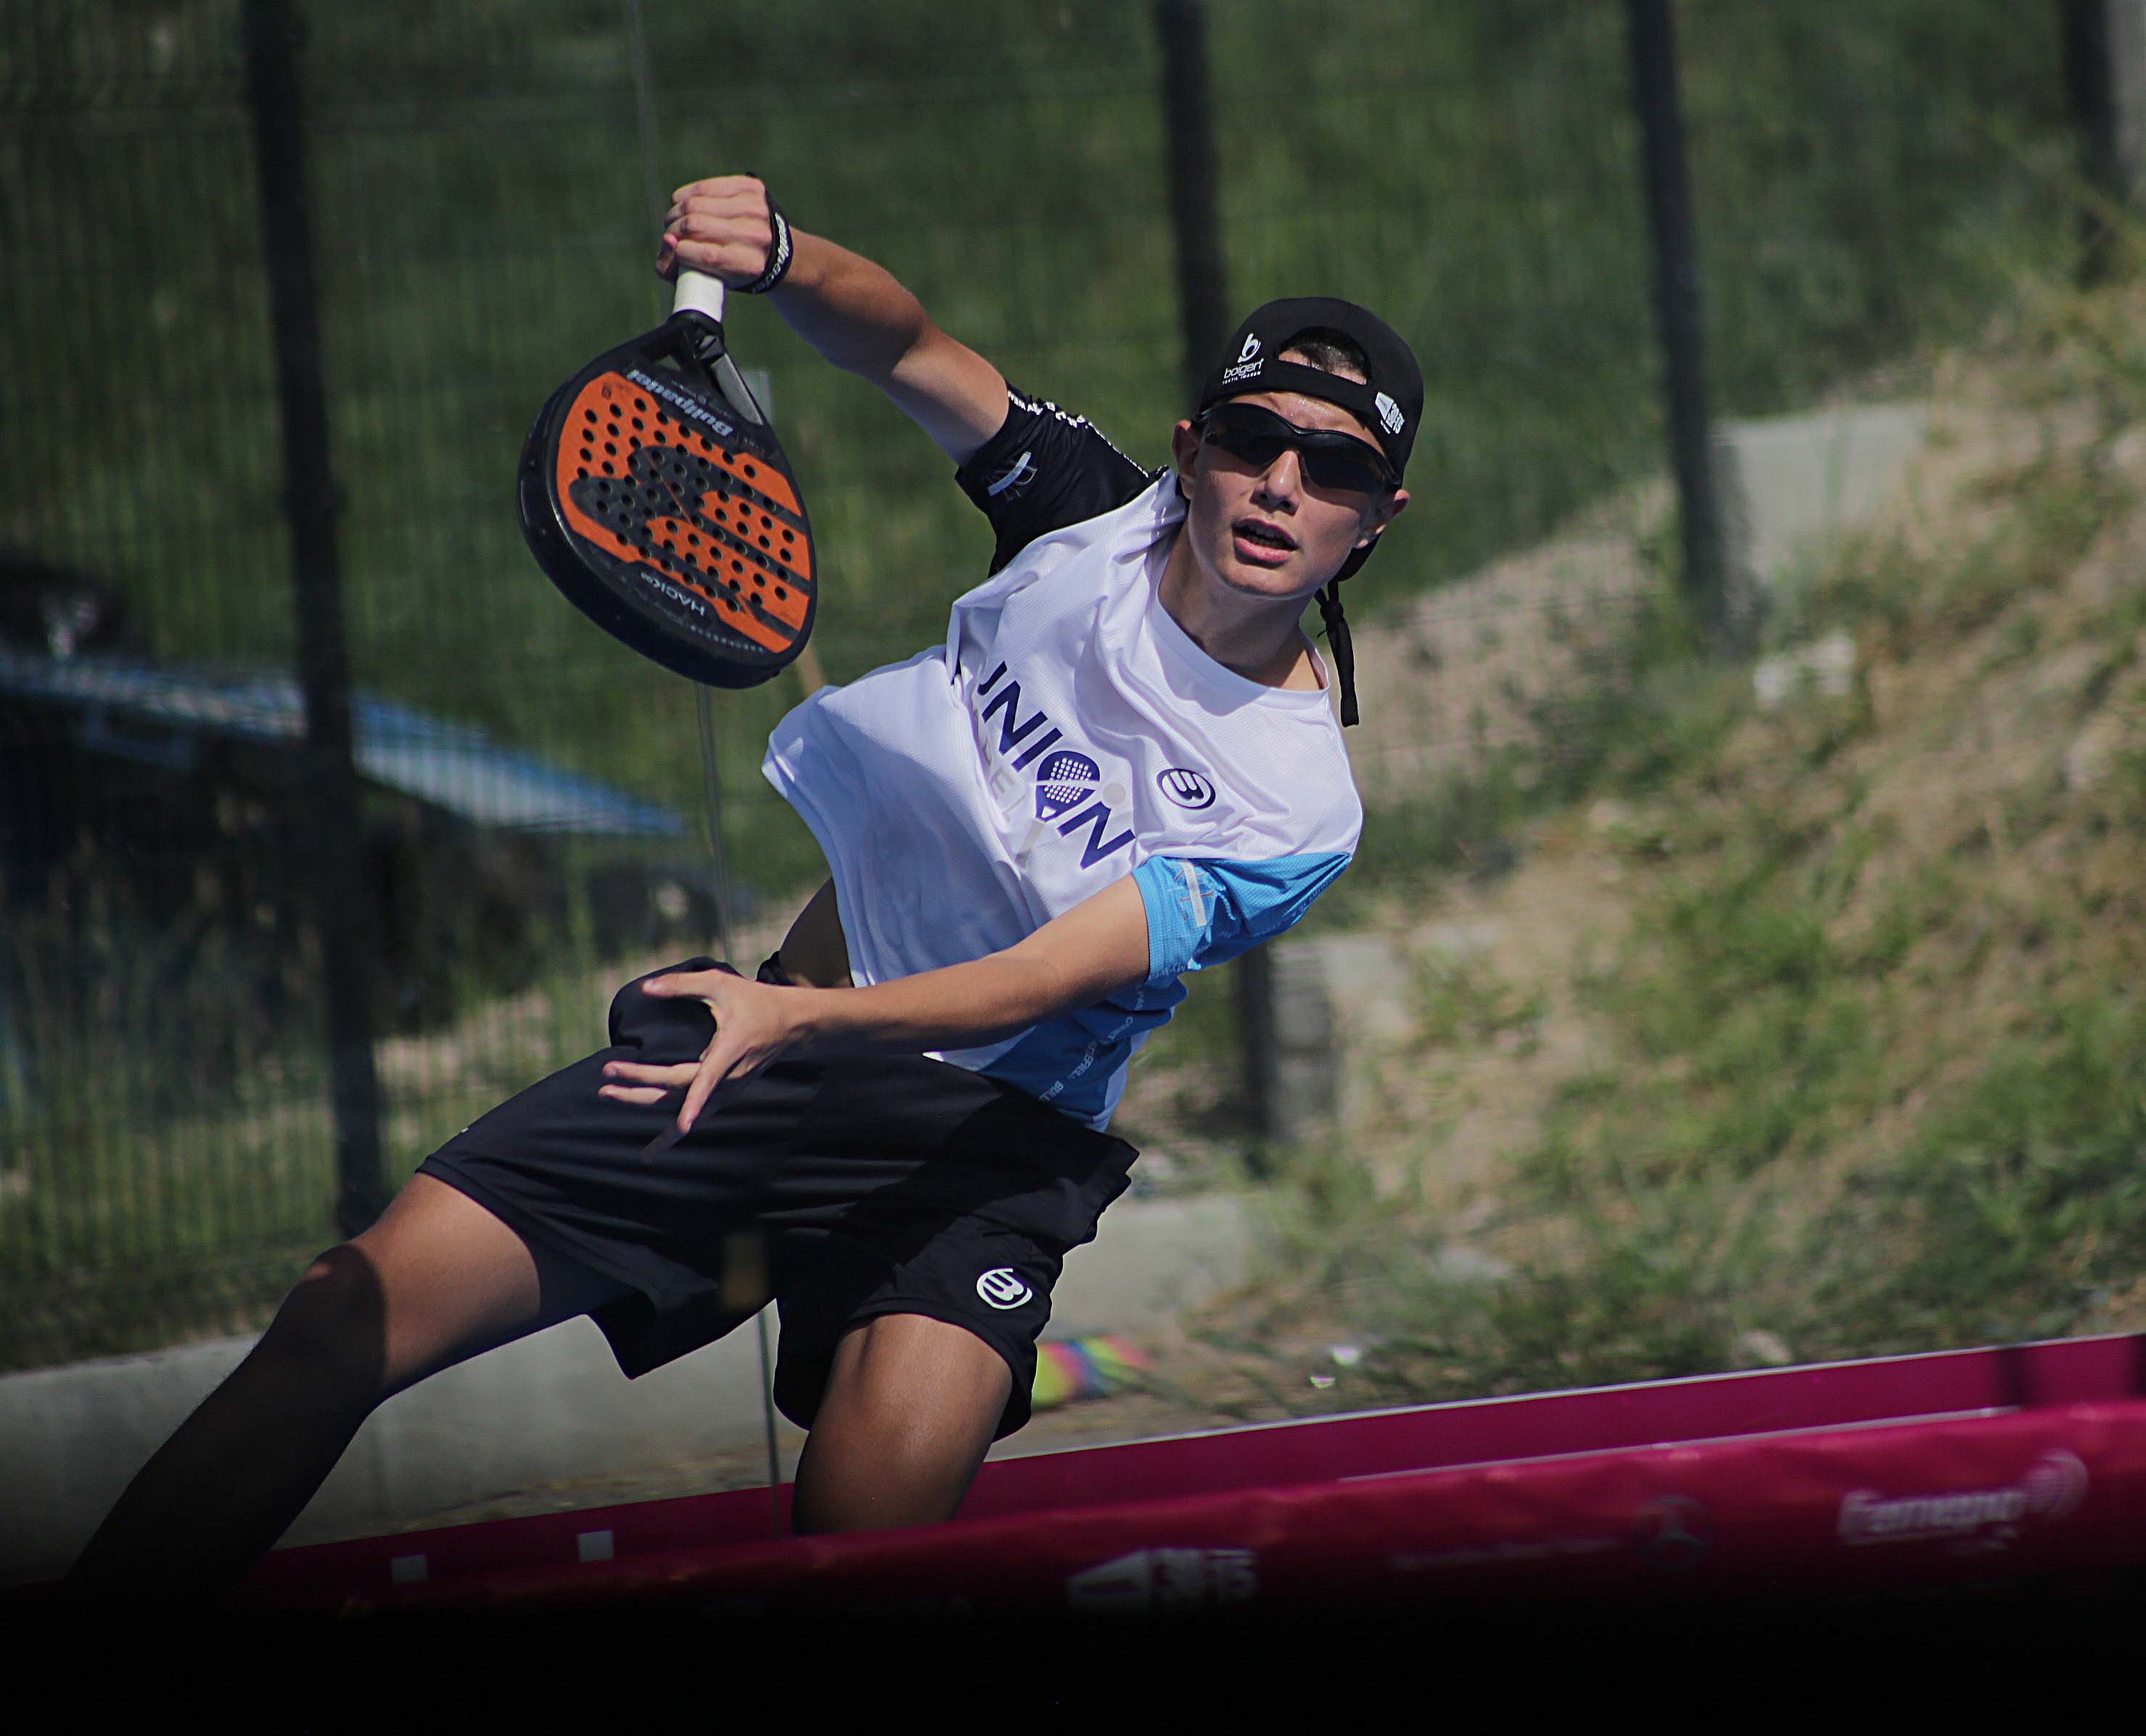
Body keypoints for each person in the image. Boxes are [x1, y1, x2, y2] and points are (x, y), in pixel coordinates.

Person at [62, 175, 1418, 1605]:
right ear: (1193, 450)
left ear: (1377, 519)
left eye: (1333, 468)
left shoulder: (1298, 805)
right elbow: (905, 346)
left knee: (857, 1546)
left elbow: (1044, 977)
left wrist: (797, 1021)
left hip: (980, 1156)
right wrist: (780, 254)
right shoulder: (1085, 518)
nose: (1283, 484)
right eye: (1254, 440)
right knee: (344, 1314)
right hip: (764, 1053)